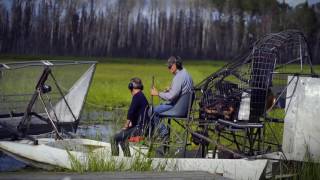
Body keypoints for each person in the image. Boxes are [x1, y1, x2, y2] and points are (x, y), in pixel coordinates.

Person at [151, 56, 193, 139]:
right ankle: (162, 134)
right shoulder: (186, 73)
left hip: (177, 108)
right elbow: (180, 91)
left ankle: (163, 134)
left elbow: (171, 96)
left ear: (174, 65)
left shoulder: (179, 77)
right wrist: (170, 89)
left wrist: (157, 93)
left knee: (151, 111)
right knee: (157, 107)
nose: (168, 68)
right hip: (182, 106)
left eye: (169, 66)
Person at [111, 77, 148, 157]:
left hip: (139, 130)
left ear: (131, 86)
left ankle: (114, 159)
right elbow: (136, 114)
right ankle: (127, 158)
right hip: (141, 128)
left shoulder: (137, 97)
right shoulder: (141, 96)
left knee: (114, 138)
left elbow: (130, 113)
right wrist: (132, 123)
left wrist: (126, 126)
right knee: (122, 139)